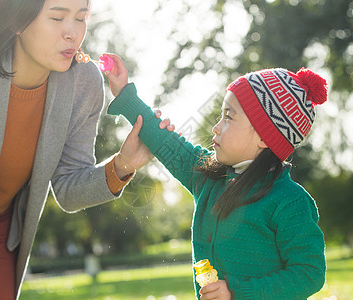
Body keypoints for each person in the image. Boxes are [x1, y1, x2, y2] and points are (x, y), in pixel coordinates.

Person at [0, 0, 174, 299]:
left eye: (81, 18)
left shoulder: (84, 82)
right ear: (18, 21)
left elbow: (69, 189)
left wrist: (123, 164)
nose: (73, 33)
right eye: (57, 18)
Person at [104, 54, 328, 299]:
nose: (216, 127)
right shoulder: (208, 178)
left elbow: (309, 273)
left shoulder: (289, 201)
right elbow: (167, 142)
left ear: (265, 137)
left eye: (228, 117)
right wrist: (125, 94)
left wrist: (237, 292)